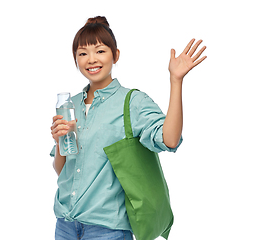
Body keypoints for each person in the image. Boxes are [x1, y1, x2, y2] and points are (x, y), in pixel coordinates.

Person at [50, 16, 206, 240]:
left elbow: (170, 140)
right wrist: (59, 141)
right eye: (83, 53)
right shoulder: (70, 105)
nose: (91, 60)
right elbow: (62, 170)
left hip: (107, 229)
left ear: (116, 55)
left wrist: (176, 81)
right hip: (65, 224)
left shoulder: (132, 102)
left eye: (100, 51)